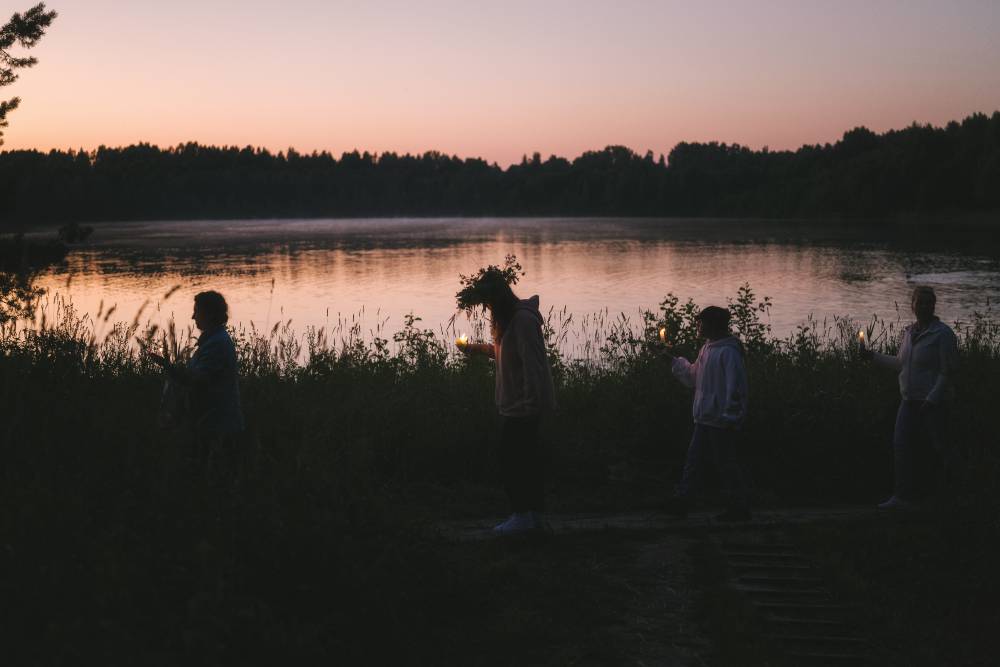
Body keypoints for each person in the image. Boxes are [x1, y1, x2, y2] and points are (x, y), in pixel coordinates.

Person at [457, 270, 556, 536]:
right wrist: (476, 350)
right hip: (517, 405)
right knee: (527, 461)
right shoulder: (508, 319)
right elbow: (507, 355)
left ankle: (522, 516)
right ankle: (534, 516)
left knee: (512, 461)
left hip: (524, 407)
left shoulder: (522, 320)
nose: (487, 308)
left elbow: (533, 365)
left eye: (488, 302)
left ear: (498, 297)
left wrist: (530, 405)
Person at [862, 286, 959, 510]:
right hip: (909, 401)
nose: (925, 306)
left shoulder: (943, 334)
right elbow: (900, 364)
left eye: (929, 303)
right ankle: (902, 496)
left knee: (938, 449)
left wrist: (932, 399)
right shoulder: (908, 333)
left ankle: (950, 496)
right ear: (912, 305)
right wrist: (871, 356)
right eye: (920, 302)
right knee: (902, 446)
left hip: (934, 405)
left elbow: (948, 371)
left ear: (933, 306)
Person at [663, 306, 751, 522]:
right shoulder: (707, 349)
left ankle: (738, 507)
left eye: (701, 322)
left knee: (725, 464)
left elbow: (737, 388)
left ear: (713, 325)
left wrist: (730, 418)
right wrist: (673, 362)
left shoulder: (728, 352)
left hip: (721, 421)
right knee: (694, 462)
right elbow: (694, 377)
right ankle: (684, 502)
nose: (698, 326)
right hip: (705, 419)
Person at [147, 290, 245, 472]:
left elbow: (198, 381)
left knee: (211, 478)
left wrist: (167, 366)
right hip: (211, 425)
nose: (193, 316)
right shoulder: (213, 341)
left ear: (209, 314)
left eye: (196, 311)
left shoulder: (217, 344)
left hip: (218, 427)